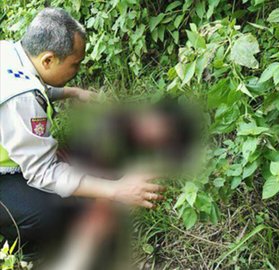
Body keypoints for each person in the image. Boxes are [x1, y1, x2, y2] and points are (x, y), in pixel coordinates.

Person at [0, 8, 164, 259]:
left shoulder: (10, 52)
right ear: (48, 60)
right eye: (74, 64)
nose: (76, 70)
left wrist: (72, 92)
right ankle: (28, 247)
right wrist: (117, 190)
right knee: (50, 214)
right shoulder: (21, 99)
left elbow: (32, 81)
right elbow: (42, 172)